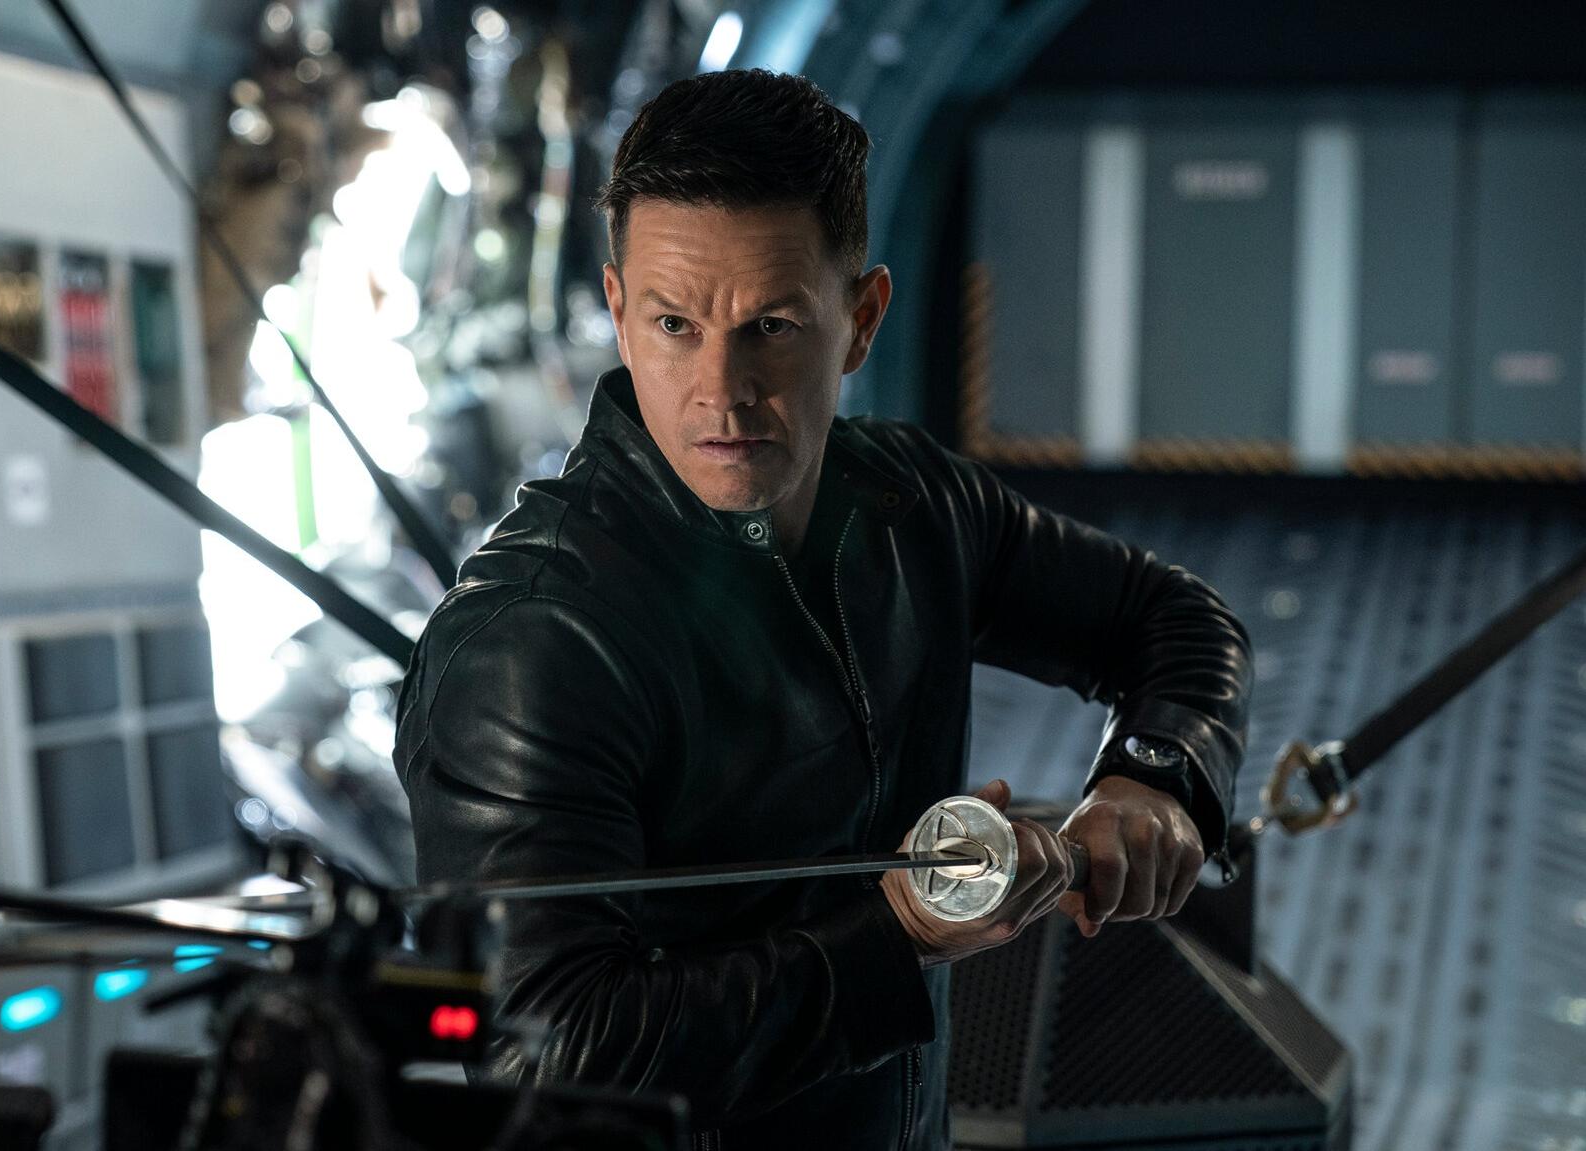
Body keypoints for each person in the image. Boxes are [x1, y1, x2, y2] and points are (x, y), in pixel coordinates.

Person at [393, 68, 1250, 1151]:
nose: (720, 387)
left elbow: (1173, 618)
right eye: (672, 323)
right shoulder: (530, 644)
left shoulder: (912, 502)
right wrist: (896, 937)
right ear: (616, 310)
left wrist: (1153, 772)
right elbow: (538, 1058)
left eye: (771, 325)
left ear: (861, 318)